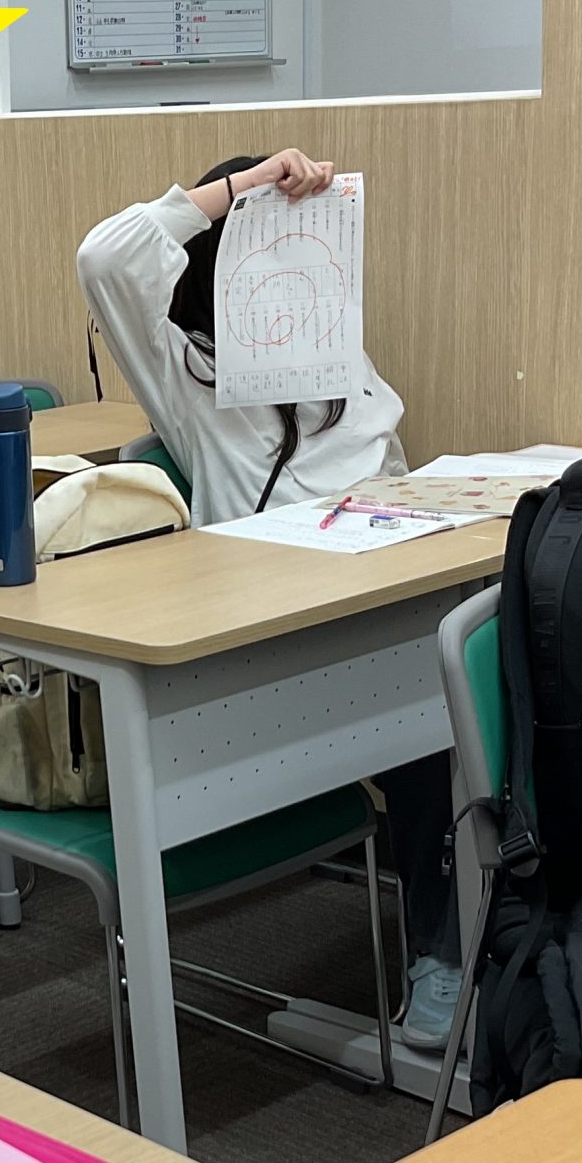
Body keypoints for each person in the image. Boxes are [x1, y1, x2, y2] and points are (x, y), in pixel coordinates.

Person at [77, 151, 458, 1050]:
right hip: (264, 641)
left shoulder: (338, 355)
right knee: (431, 714)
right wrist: (243, 190)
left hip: (370, 603)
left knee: (472, 673)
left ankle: (483, 922)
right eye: (271, 246)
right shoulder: (189, 373)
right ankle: (445, 950)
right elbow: (105, 257)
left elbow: (392, 473)